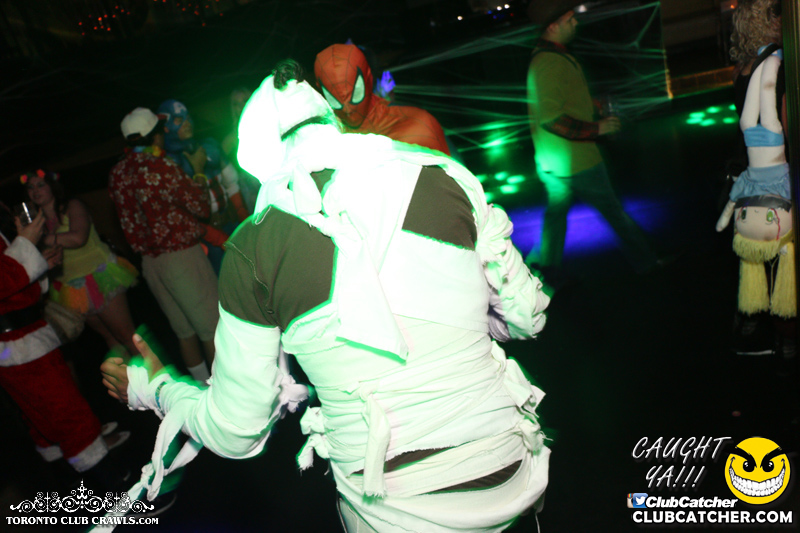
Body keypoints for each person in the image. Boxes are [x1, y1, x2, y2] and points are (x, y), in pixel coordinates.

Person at [101, 60, 551, 532]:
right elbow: (527, 316)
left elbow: (237, 431)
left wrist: (155, 387)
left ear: (257, 158)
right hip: (511, 476)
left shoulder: (254, 248)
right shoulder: (446, 176)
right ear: (330, 120)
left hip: (395, 513)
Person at [525, 1, 659, 275]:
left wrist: (591, 105)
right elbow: (552, 118)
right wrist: (598, 128)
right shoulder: (549, 62)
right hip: (577, 161)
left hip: (554, 161)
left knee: (555, 218)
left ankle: (543, 273)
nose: (575, 23)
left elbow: (560, 102)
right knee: (615, 213)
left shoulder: (551, 56)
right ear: (553, 26)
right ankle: (648, 262)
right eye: (569, 19)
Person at [0, 203, 129, 486]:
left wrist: (37, 264)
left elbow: (11, 288)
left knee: (45, 425)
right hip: (18, 348)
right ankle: (117, 497)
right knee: (70, 419)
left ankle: (76, 489)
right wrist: (25, 246)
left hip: (23, 343)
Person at [108, 107, 219, 383]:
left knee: (185, 333)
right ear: (155, 137)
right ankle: (226, 392)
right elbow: (201, 206)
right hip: (181, 258)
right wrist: (198, 170)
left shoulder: (118, 172)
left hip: (151, 264)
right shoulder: (160, 166)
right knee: (211, 331)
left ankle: (202, 388)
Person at [21, 169, 139, 356]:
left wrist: (41, 238)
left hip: (99, 276)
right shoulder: (37, 221)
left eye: (40, 185)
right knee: (109, 337)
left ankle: (158, 374)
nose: (35, 191)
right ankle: (131, 375)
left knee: (126, 335)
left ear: (52, 186)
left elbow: (78, 238)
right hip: (72, 287)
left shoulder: (72, 206)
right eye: (30, 187)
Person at [157, 99, 249, 275]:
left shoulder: (209, 147)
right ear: (166, 126)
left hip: (231, 222)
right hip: (208, 238)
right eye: (179, 120)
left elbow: (231, 184)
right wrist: (217, 238)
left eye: (187, 117)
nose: (186, 123)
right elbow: (184, 214)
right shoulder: (168, 166)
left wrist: (244, 217)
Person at [314, 43, 452, 155]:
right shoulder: (324, 142)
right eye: (334, 99)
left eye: (355, 94)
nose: (348, 109)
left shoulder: (417, 126)